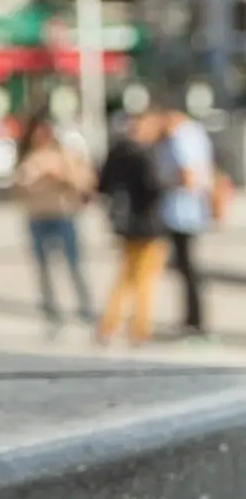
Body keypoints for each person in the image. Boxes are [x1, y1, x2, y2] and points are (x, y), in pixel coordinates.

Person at [13, 116, 96, 334]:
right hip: (37, 216)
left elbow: (84, 183)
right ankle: (51, 310)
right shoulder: (28, 159)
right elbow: (18, 188)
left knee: (73, 264)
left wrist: (63, 177)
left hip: (63, 215)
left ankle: (85, 307)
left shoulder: (66, 157)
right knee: (43, 268)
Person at [97, 111, 171, 347]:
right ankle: (139, 329)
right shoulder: (146, 153)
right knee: (145, 279)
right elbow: (154, 185)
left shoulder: (116, 152)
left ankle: (108, 325)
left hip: (123, 223)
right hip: (148, 222)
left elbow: (103, 184)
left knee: (125, 276)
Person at [156, 104, 215, 341]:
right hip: (189, 210)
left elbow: (188, 174)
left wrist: (164, 182)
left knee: (187, 268)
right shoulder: (195, 133)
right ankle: (193, 319)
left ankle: (195, 321)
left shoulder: (182, 137)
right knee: (187, 268)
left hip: (182, 210)